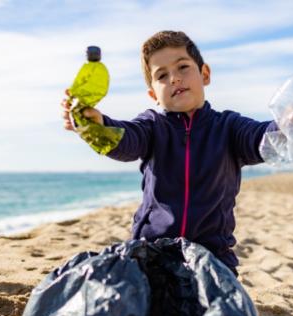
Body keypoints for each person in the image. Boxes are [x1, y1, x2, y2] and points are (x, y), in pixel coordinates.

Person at [62, 30, 277, 277]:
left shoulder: (229, 127)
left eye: (183, 67)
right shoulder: (152, 126)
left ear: (204, 74)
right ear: (153, 94)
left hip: (213, 258)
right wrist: (97, 124)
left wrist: (288, 126)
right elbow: (126, 139)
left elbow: (263, 138)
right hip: (152, 255)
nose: (174, 78)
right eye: (162, 75)